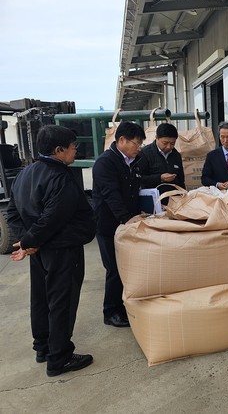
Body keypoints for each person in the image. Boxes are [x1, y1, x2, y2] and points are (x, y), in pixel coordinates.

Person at [7, 125, 96, 377]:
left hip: (41, 250)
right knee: (62, 301)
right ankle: (59, 357)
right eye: (72, 147)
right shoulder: (61, 177)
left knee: (41, 298)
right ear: (59, 150)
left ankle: (43, 346)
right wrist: (30, 241)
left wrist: (29, 241)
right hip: (62, 249)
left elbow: (13, 214)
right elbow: (53, 217)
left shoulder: (25, 174)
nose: (75, 151)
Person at [92, 121, 146, 328]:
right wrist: (127, 218)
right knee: (113, 269)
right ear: (121, 140)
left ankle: (122, 306)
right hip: (109, 225)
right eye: (136, 143)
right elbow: (111, 195)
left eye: (140, 144)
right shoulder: (106, 163)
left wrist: (137, 212)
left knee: (126, 268)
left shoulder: (133, 161)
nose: (138, 147)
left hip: (127, 224)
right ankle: (110, 311)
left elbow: (133, 191)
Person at [137, 122, 185, 195]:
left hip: (174, 199)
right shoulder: (144, 153)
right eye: (165, 143)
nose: (169, 146)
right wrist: (160, 178)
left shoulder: (176, 155)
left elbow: (181, 180)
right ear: (156, 138)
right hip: (153, 198)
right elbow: (139, 178)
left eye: (172, 143)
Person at [201, 121, 228, 190]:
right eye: (222, 137)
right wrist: (217, 184)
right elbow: (204, 179)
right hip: (218, 194)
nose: (225, 140)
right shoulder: (211, 156)